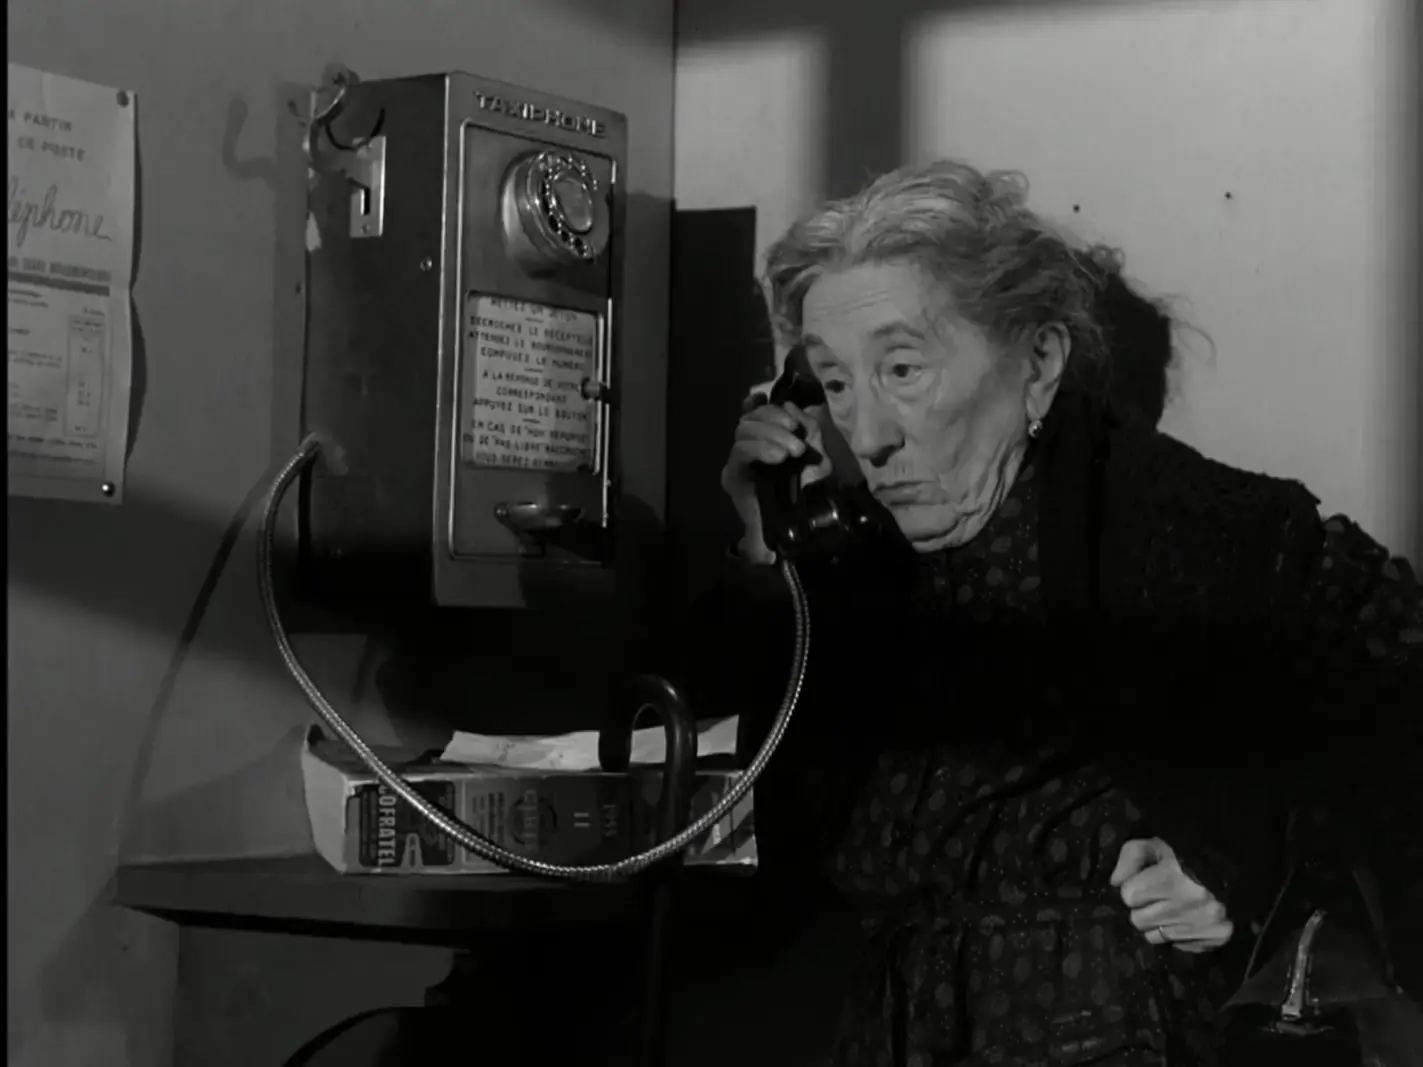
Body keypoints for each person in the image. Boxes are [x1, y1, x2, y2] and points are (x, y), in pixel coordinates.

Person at [664, 160, 1423, 1066]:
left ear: (1037, 365)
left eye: (900, 369)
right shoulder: (847, 578)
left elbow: (1398, 709)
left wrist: (1244, 859)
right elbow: (728, 831)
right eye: (833, 384)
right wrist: (765, 551)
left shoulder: (1199, 534)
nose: (866, 434)